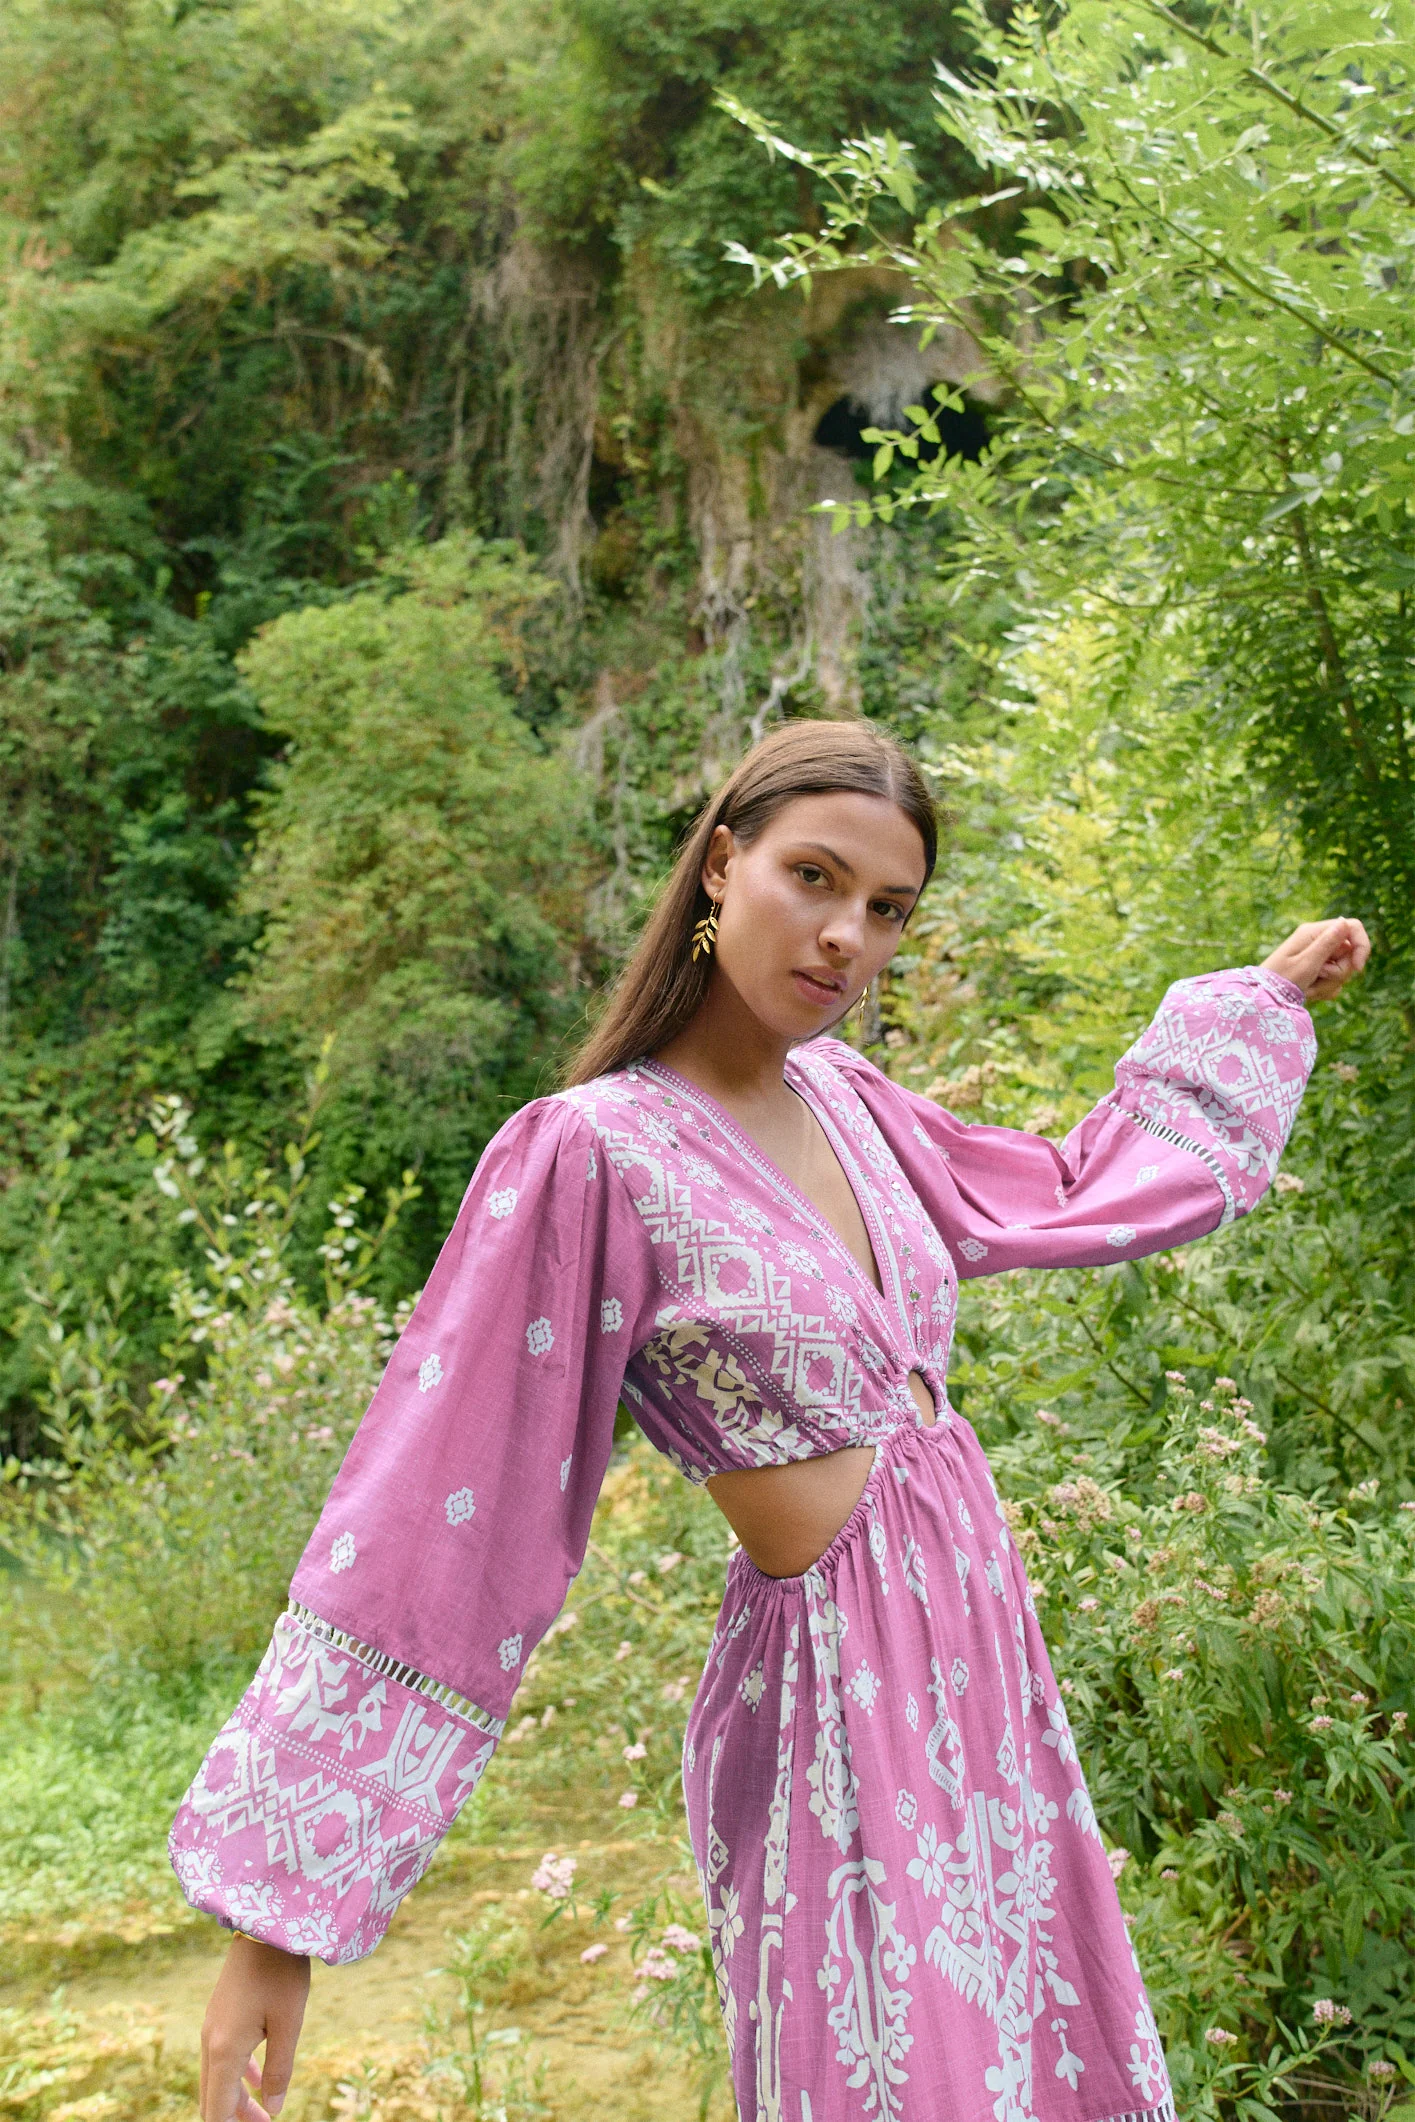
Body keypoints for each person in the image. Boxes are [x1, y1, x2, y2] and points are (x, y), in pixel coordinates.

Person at [174, 720, 1368, 2122]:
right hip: (830, 1694)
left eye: (888, 909)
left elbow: (1063, 1190)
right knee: (897, 2078)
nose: (846, 935)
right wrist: (275, 1928)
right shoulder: (593, 1151)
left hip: (980, 1667)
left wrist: (1253, 1008)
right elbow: (442, 1512)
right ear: (720, 864)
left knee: (1031, 2056)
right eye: (813, 877)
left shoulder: (852, 1105)